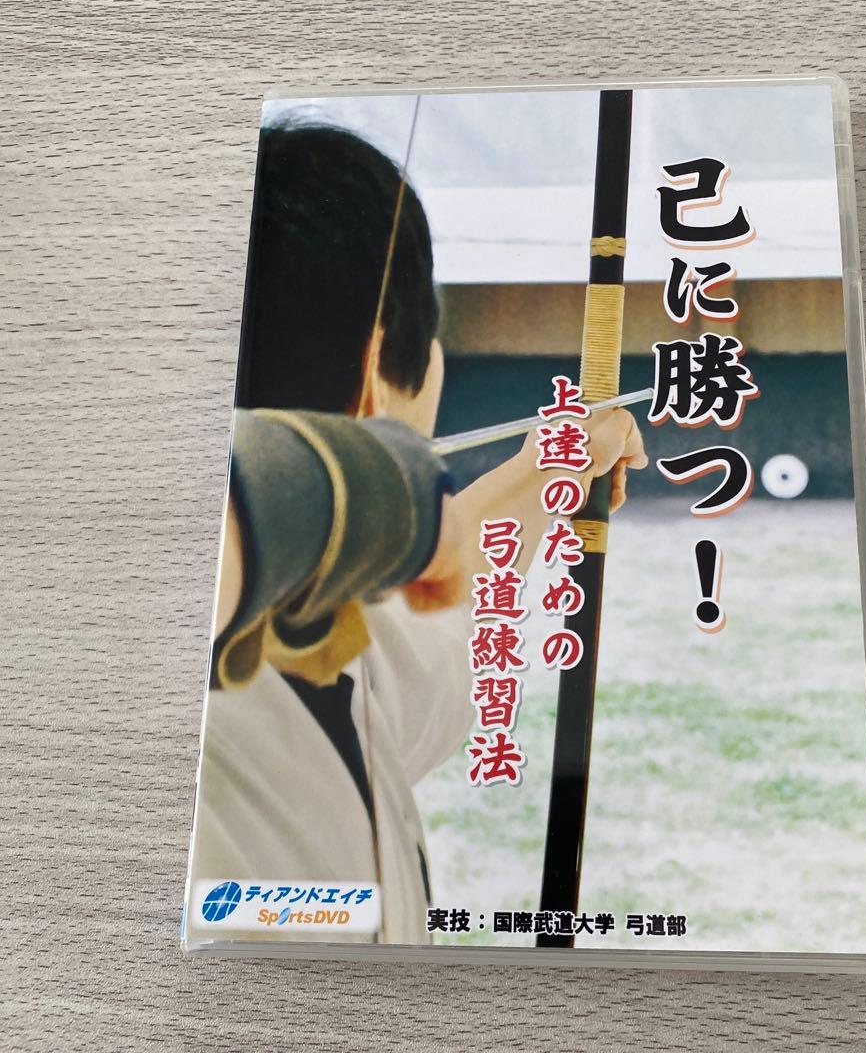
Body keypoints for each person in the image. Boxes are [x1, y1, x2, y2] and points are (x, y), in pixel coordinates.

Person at [186, 120, 646, 945]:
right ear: (376, 372)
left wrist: (563, 461)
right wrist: (372, 482)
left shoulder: (315, 638)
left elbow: (435, 596)